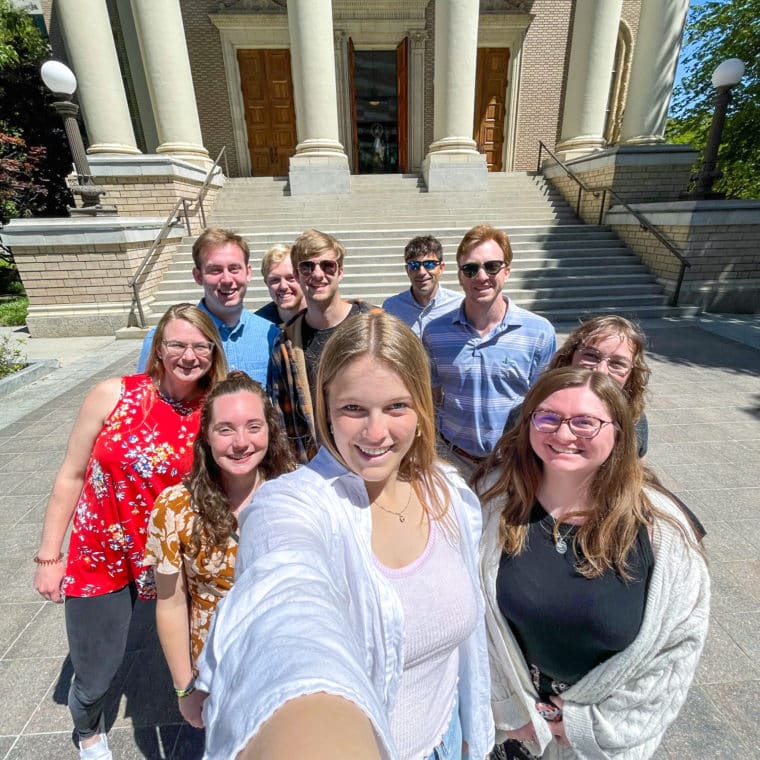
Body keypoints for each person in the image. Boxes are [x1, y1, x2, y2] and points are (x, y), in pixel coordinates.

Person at [197, 311, 493, 760]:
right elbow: (285, 607)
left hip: (449, 736)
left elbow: (469, 648)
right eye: (353, 409)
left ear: (422, 407)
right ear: (325, 410)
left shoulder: (447, 492)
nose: (375, 433)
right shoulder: (291, 504)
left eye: (396, 406)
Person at [475, 367, 709, 760]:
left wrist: (590, 726)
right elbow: (472, 619)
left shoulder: (664, 529)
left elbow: (679, 646)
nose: (564, 434)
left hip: (602, 745)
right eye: (548, 417)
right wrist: (506, 708)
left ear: (618, 432)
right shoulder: (492, 502)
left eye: (585, 422)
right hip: (513, 733)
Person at [33, 303, 228, 760]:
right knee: (95, 668)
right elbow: (71, 475)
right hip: (101, 549)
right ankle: (88, 731)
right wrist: (49, 556)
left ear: (213, 352)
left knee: (202, 655)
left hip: (175, 552)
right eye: (177, 344)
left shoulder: (215, 407)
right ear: (158, 347)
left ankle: (213, 717)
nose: (189, 355)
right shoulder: (113, 394)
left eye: (201, 346)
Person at [144, 371, 296, 729]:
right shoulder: (176, 507)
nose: (241, 442)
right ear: (206, 437)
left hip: (288, 663)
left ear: (270, 431)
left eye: (253, 427)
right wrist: (185, 688)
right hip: (217, 672)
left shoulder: (296, 494)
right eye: (225, 429)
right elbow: (171, 603)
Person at [422, 224, 556, 475]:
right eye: (470, 269)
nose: (481, 276)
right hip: (452, 460)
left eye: (492, 266)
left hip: (512, 462)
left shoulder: (539, 332)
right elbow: (432, 398)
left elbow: (545, 403)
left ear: (507, 271)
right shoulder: (435, 333)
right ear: (460, 276)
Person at [269, 228, 378, 463]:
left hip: (374, 451)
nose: (318, 274)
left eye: (328, 266)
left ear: (340, 272)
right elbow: (282, 418)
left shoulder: (377, 323)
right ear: (297, 276)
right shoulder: (286, 343)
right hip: (319, 463)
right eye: (307, 267)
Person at [137, 227, 278, 386]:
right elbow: (145, 396)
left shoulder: (272, 335)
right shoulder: (162, 339)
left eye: (234, 269)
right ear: (198, 276)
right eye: (215, 270)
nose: (227, 279)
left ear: (248, 273)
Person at [505, 315, 651, 457]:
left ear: (631, 373)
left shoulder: (635, 421)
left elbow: (636, 469)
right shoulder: (524, 415)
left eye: (617, 363)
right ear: (569, 358)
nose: (600, 370)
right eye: (591, 356)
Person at [382, 235, 460, 337]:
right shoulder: (392, 308)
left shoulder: (458, 306)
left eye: (429, 264)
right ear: (407, 270)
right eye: (414, 265)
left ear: (441, 268)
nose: (421, 272)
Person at [254, 243, 305, 325]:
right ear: (266, 283)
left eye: (290, 278)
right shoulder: (258, 324)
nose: (283, 286)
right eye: (275, 280)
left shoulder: (322, 316)